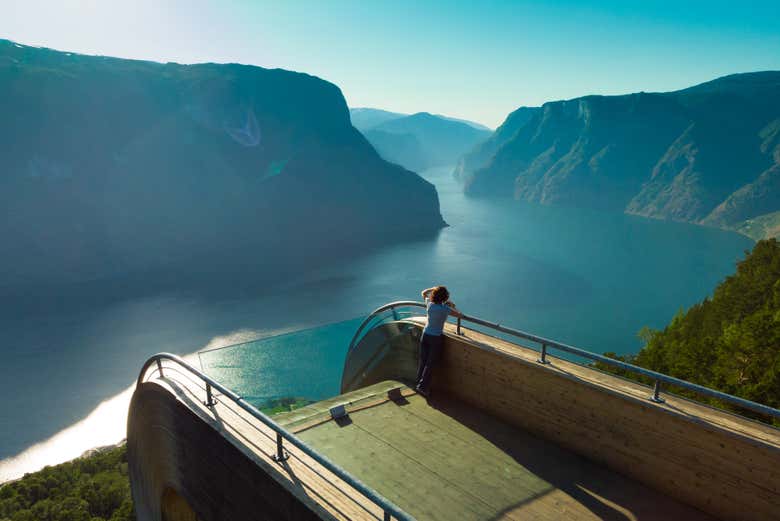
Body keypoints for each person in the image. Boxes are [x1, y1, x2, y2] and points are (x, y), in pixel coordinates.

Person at [415, 285, 463, 398]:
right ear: (445, 297)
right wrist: (452, 305)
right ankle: (422, 387)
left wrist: (433, 288)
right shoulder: (445, 309)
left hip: (425, 334)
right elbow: (460, 315)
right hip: (435, 338)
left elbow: (423, 292)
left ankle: (418, 382)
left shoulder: (430, 304)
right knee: (430, 364)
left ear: (434, 295)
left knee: (423, 360)